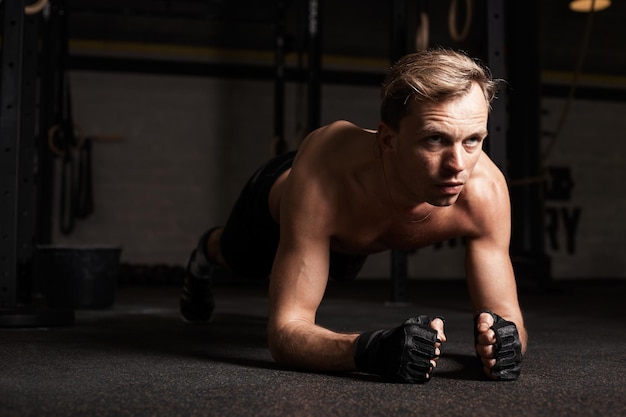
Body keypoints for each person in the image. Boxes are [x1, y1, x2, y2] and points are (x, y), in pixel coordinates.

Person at [180, 48, 526, 383]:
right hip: (279, 202)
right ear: (388, 140)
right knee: (242, 261)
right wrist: (369, 350)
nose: (458, 166)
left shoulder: (485, 193)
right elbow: (285, 331)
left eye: (473, 140)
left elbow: (509, 318)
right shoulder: (327, 178)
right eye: (435, 139)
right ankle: (203, 255)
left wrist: (506, 345)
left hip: (350, 239)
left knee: (341, 270)